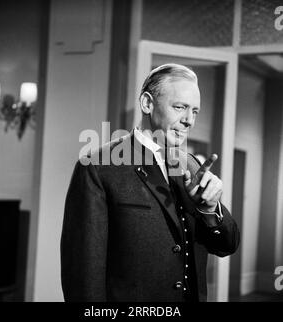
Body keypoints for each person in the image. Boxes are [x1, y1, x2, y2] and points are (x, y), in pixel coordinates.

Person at [61, 63, 240, 302]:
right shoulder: (98, 167)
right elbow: (83, 274)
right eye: (180, 107)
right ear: (147, 103)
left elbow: (226, 246)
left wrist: (210, 210)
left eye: (195, 111)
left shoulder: (192, 165)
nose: (189, 120)